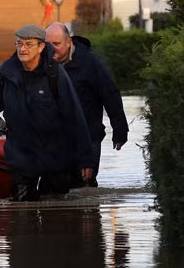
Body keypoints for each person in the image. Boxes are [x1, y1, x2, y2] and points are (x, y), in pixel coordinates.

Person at [0, 24, 94, 201]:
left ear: (41, 47)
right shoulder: (7, 71)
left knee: (55, 213)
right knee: (21, 212)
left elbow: (74, 115)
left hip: (55, 155)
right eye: (19, 44)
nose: (23, 49)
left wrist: (86, 158)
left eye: (28, 44)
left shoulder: (55, 73)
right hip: (21, 154)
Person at [45, 21, 128, 187]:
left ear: (69, 42)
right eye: (48, 44)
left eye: (56, 44)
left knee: (84, 188)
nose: (52, 49)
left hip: (89, 136)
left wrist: (120, 130)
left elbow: (110, 94)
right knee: (54, 190)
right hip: (55, 139)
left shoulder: (90, 62)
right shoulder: (42, 63)